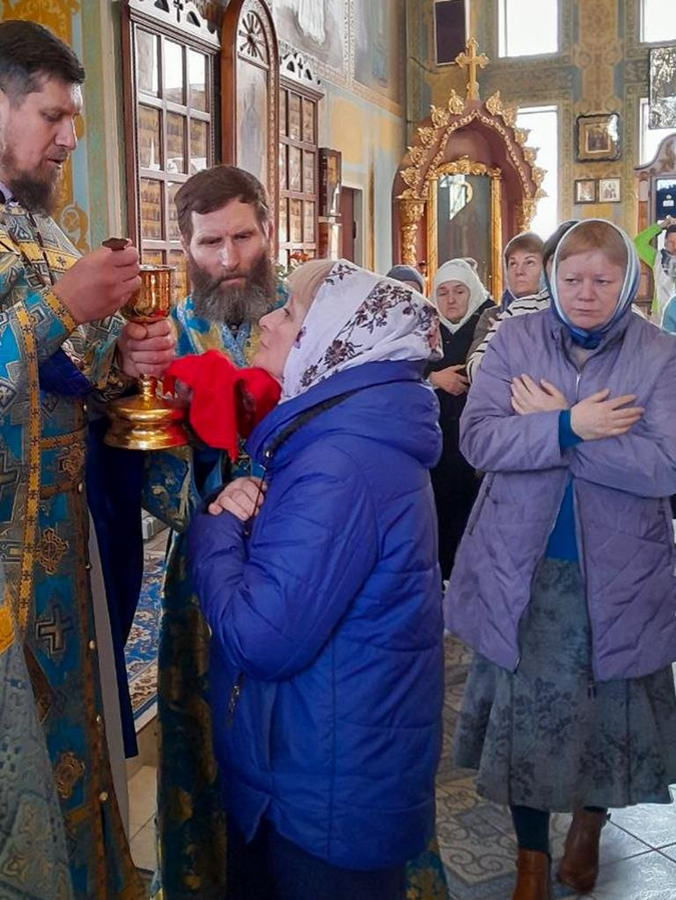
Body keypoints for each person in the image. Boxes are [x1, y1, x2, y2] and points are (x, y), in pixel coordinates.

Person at [187, 259, 446, 900]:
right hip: (333, 759)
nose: (269, 321)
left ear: (334, 340)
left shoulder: (339, 460)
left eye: (292, 312)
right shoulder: (348, 431)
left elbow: (261, 636)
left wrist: (215, 528)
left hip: (322, 791)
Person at [445, 219, 676, 900]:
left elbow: (663, 466)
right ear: (551, 278)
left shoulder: (659, 355)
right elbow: (481, 442)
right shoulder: (515, 340)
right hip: (524, 566)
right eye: (572, 279)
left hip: (620, 571)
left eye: (603, 281)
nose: (585, 293)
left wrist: (555, 425)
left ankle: (590, 824)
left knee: (609, 716)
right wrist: (578, 425)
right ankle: (530, 860)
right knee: (524, 724)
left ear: (627, 283)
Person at [0, 19, 174, 899]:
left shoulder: (47, 232)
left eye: (74, 118)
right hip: (4, 570)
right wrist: (57, 309)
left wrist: (126, 361)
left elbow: (70, 380)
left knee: (80, 745)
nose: (71, 136)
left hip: (69, 554)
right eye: (54, 114)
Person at [142, 164, 286, 899]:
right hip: (205, 568)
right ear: (185, 245)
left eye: (242, 237)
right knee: (208, 737)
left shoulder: (315, 314)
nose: (228, 259)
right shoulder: (161, 337)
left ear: (269, 231)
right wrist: (210, 492)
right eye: (209, 243)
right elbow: (148, 460)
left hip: (307, 556)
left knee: (303, 739)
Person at [426, 259, 493, 580]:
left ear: (474, 293)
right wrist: (434, 379)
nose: (450, 300)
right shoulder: (423, 326)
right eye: (442, 292)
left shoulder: (490, 321)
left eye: (459, 291)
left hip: (476, 450)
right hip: (434, 449)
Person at [466, 222, 577, 382]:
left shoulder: (586, 308)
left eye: (529, 262)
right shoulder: (511, 311)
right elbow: (476, 369)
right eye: (513, 264)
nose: (519, 271)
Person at [634, 216, 676, 323]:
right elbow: (638, 243)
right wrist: (661, 225)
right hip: (659, 313)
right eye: (671, 242)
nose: (675, 246)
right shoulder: (657, 257)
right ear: (665, 242)